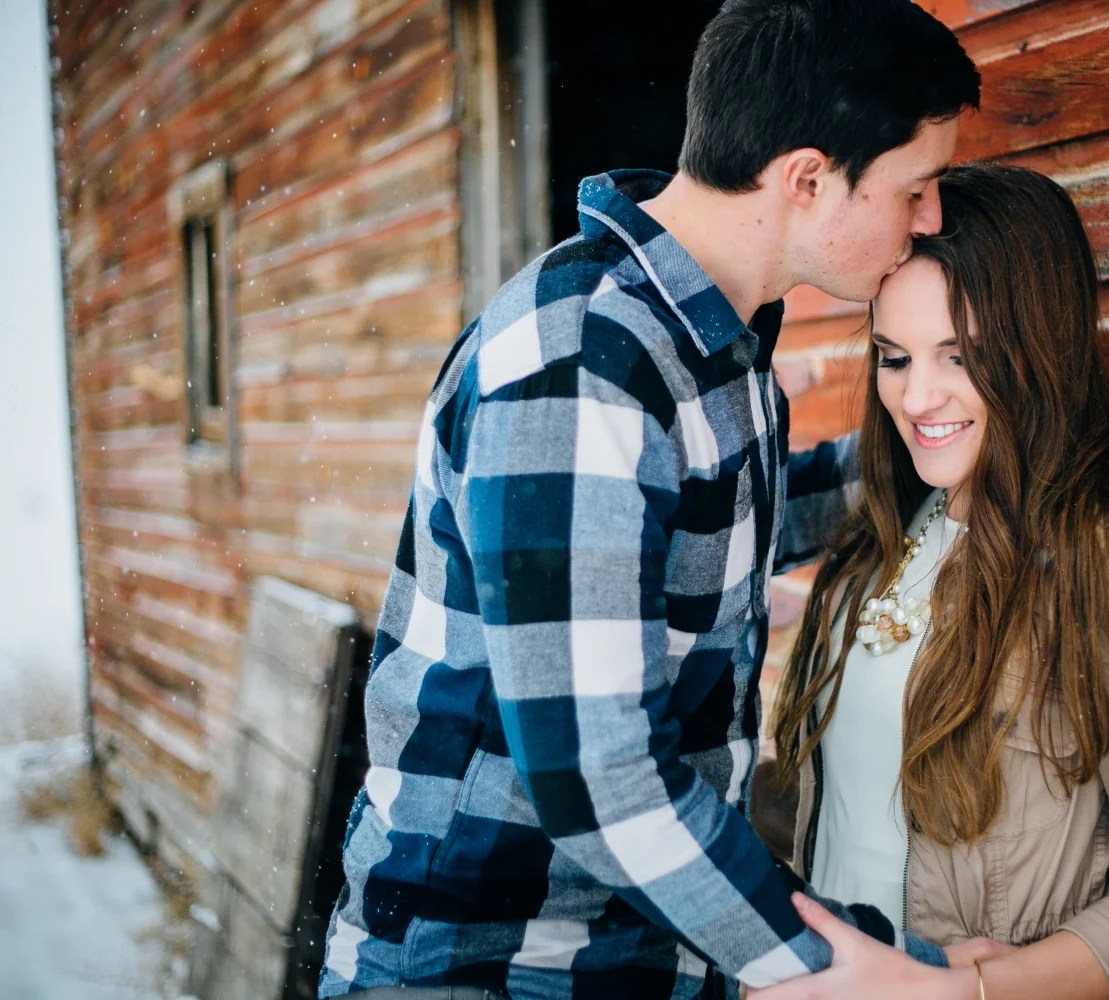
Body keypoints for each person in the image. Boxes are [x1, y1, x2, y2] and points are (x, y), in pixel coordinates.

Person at [318, 2, 985, 998]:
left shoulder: (711, 343)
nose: (929, 219)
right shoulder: (584, 359)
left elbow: (727, 528)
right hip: (493, 963)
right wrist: (866, 968)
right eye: (915, 188)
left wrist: (964, 433)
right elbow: (599, 781)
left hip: (632, 953)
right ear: (807, 180)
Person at [759, 163, 1109, 1000]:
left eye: (962, 355)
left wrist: (961, 992)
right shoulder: (876, 538)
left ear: (1040, 346)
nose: (917, 397)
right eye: (894, 356)